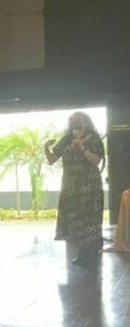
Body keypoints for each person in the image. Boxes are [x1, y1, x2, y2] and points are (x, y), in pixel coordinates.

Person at [45, 111, 105, 267]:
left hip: (90, 187)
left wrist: (83, 148)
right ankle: (85, 252)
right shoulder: (66, 140)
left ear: (86, 124)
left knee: (89, 220)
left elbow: (97, 161)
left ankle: (89, 252)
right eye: (73, 124)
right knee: (74, 220)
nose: (76, 127)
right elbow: (52, 160)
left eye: (79, 123)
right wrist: (46, 148)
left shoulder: (94, 139)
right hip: (71, 187)